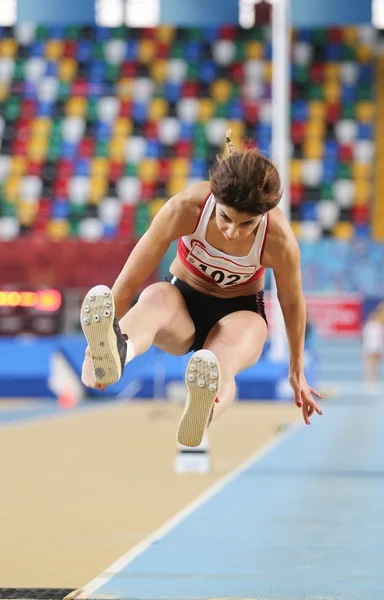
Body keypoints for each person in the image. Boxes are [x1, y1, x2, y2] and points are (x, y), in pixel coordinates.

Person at [80, 135, 323, 447]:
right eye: (225, 217)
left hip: (240, 312)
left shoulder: (279, 241)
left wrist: (297, 369)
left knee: (218, 359)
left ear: (264, 215)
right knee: (155, 296)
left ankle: (202, 410)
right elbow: (128, 282)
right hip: (182, 303)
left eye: (246, 224)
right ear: (214, 199)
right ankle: (115, 352)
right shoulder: (185, 208)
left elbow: (291, 302)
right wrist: (96, 347)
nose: (232, 232)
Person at [361, 312, 384, 387]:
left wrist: (383, 350)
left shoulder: (380, 327)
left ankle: (375, 382)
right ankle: (368, 383)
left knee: (376, 367)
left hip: (377, 350)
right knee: (369, 367)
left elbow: (382, 339)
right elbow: (364, 339)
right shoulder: (368, 327)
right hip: (369, 350)